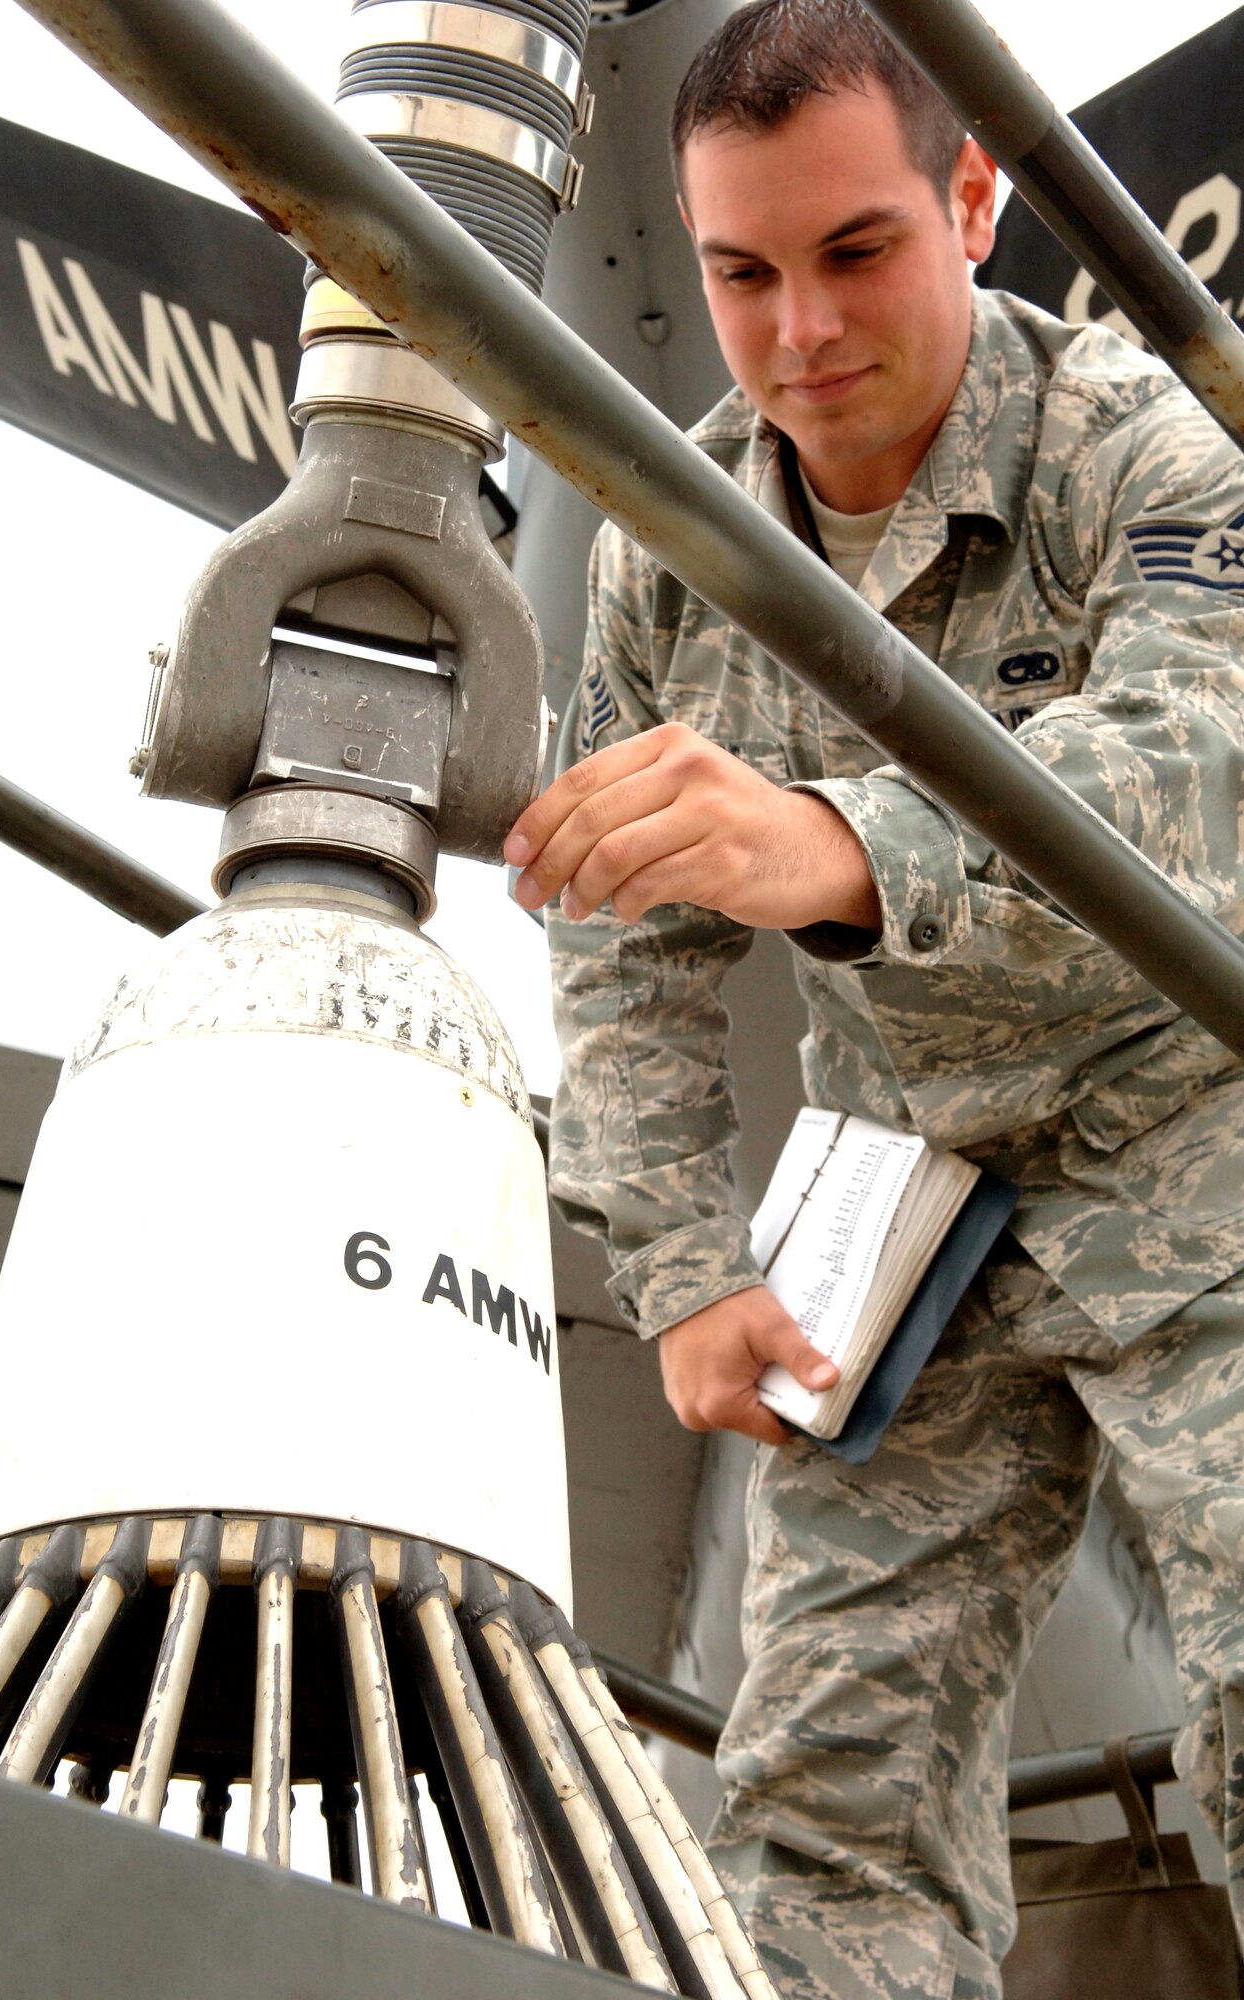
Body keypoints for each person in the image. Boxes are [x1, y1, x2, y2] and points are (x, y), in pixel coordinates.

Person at [502, 1, 1244, 1993]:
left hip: (1198, 1141)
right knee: (826, 1790)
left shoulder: (1140, 446)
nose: (801, 332)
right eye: (741, 273)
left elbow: (1197, 764)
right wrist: (678, 1266)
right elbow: (622, 941)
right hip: (921, 1198)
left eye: (854, 250)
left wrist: (837, 841)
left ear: (974, 200)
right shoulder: (673, 553)